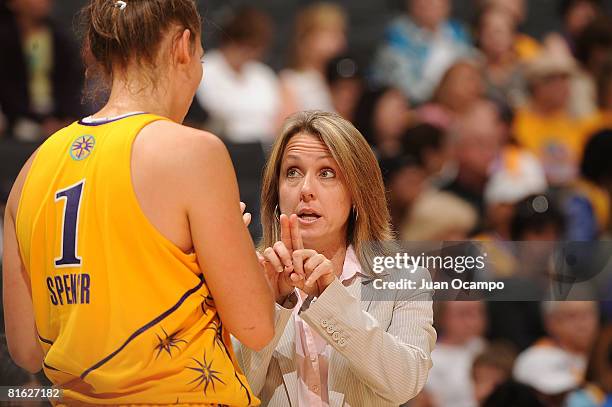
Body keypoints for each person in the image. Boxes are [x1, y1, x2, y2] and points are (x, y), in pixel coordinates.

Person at [2, 0, 274, 404]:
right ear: (183, 46)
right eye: (199, 57)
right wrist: (235, 258)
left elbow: (26, 351)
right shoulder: (193, 152)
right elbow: (256, 326)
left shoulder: (29, 170)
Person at [234, 111, 436, 406]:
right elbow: (233, 386)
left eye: (326, 173)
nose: (305, 190)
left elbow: (403, 382)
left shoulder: (403, 279)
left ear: (357, 192)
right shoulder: (246, 274)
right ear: (275, 193)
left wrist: (331, 299)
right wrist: (272, 306)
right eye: (292, 172)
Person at [195, 7, 283, 143]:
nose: (250, 53)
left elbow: (276, 116)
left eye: (255, 47)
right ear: (230, 41)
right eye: (244, 46)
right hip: (224, 144)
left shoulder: (263, 74)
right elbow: (214, 116)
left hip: (263, 148)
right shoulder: (206, 69)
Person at [0, 0, 85, 141]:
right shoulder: (5, 38)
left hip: (57, 114)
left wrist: (65, 117)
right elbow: (7, 87)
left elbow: (70, 83)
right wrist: (39, 120)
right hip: (18, 117)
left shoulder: (60, 38)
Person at [372, 0, 472, 104]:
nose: (429, 3)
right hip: (416, 104)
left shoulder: (458, 32)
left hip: (457, 102)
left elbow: (470, 70)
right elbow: (405, 86)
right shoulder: (397, 34)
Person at [280, 3, 347, 114]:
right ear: (307, 38)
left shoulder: (340, 83)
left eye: (341, 33)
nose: (341, 40)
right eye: (331, 33)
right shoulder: (291, 81)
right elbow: (288, 126)